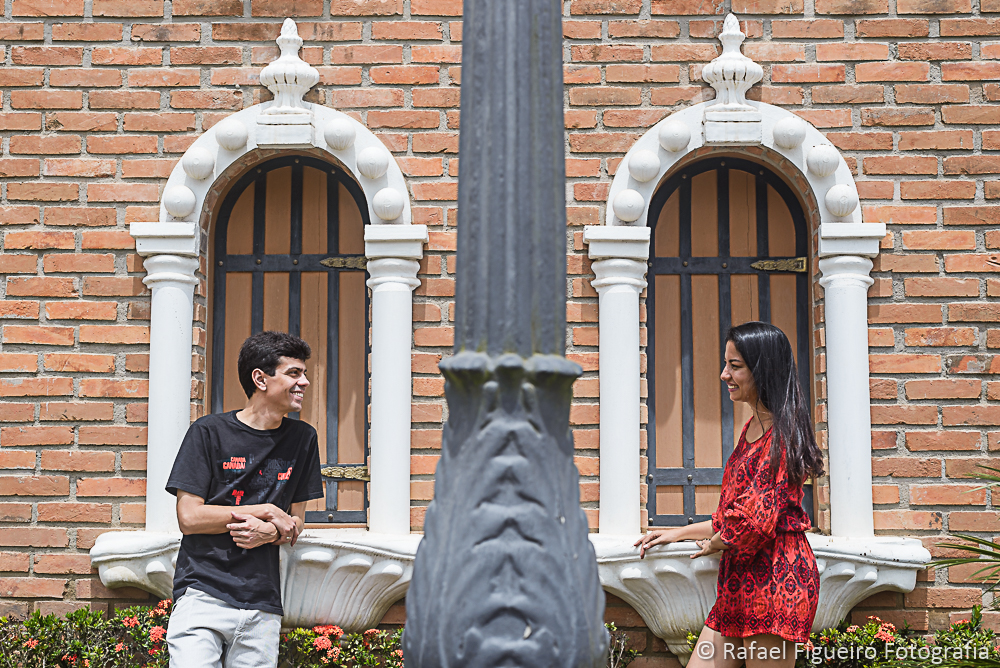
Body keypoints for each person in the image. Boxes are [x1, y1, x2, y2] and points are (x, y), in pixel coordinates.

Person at [634, 321, 824, 668]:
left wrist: (716, 542)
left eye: (735, 366)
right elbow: (733, 515)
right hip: (740, 580)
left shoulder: (783, 436)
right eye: (726, 364)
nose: (724, 374)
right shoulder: (752, 427)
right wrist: (676, 533)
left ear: (762, 369)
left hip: (777, 582)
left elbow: (755, 522)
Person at [164, 331, 324, 668]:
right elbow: (189, 518)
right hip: (203, 593)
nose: (305, 382)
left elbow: (296, 522)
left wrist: (272, 533)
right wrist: (265, 509)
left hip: (262, 602)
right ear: (260, 379)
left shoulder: (304, 439)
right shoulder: (208, 432)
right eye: (294, 373)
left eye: (304, 373)